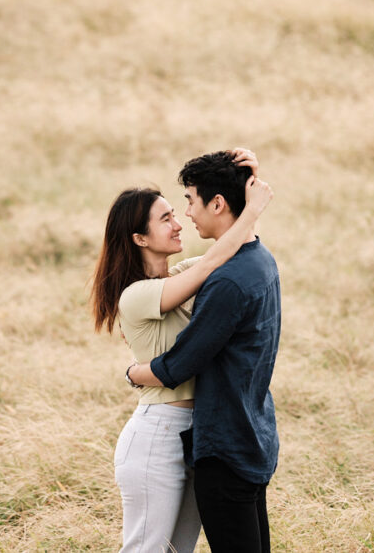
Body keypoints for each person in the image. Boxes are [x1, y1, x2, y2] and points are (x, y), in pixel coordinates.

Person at [91, 148, 272, 552]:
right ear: (139, 238)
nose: (180, 222)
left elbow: (229, 246)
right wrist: (253, 209)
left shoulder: (175, 275)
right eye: (165, 219)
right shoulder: (138, 296)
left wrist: (244, 180)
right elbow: (213, 264)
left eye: (177, 210)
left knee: (178, 550)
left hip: (194, 436)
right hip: (157, 434)